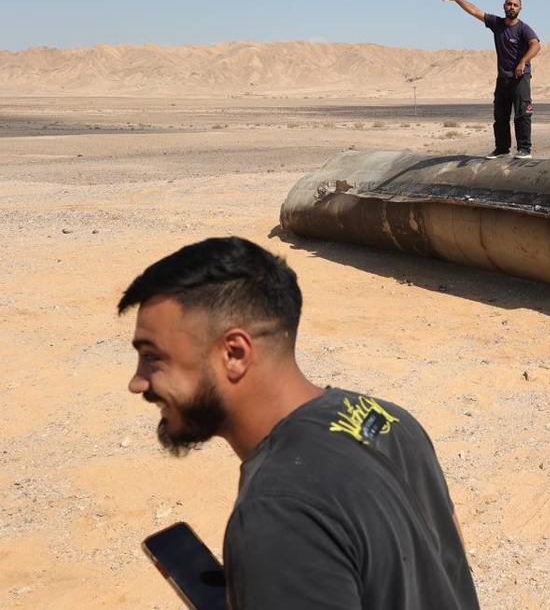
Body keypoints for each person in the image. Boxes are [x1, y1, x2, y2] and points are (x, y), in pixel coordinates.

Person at [120, 236, 479, 610]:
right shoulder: (386, 418)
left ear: (234, 354)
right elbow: (446, 559)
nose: (137, 382)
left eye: (153, 358)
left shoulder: (277, 513)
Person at [440, 0, 540, 158]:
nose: (512, 7)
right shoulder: (497, 23)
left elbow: (535, 45)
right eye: (509, 4)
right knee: (500, 115)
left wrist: (523, 61)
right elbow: (474, 11)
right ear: (504, 6)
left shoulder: (524, 29)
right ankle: (502, 149)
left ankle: (524, 149)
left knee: (522, 114)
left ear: (520, 8)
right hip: (503, 79)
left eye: (515, 5)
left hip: (520, 78)